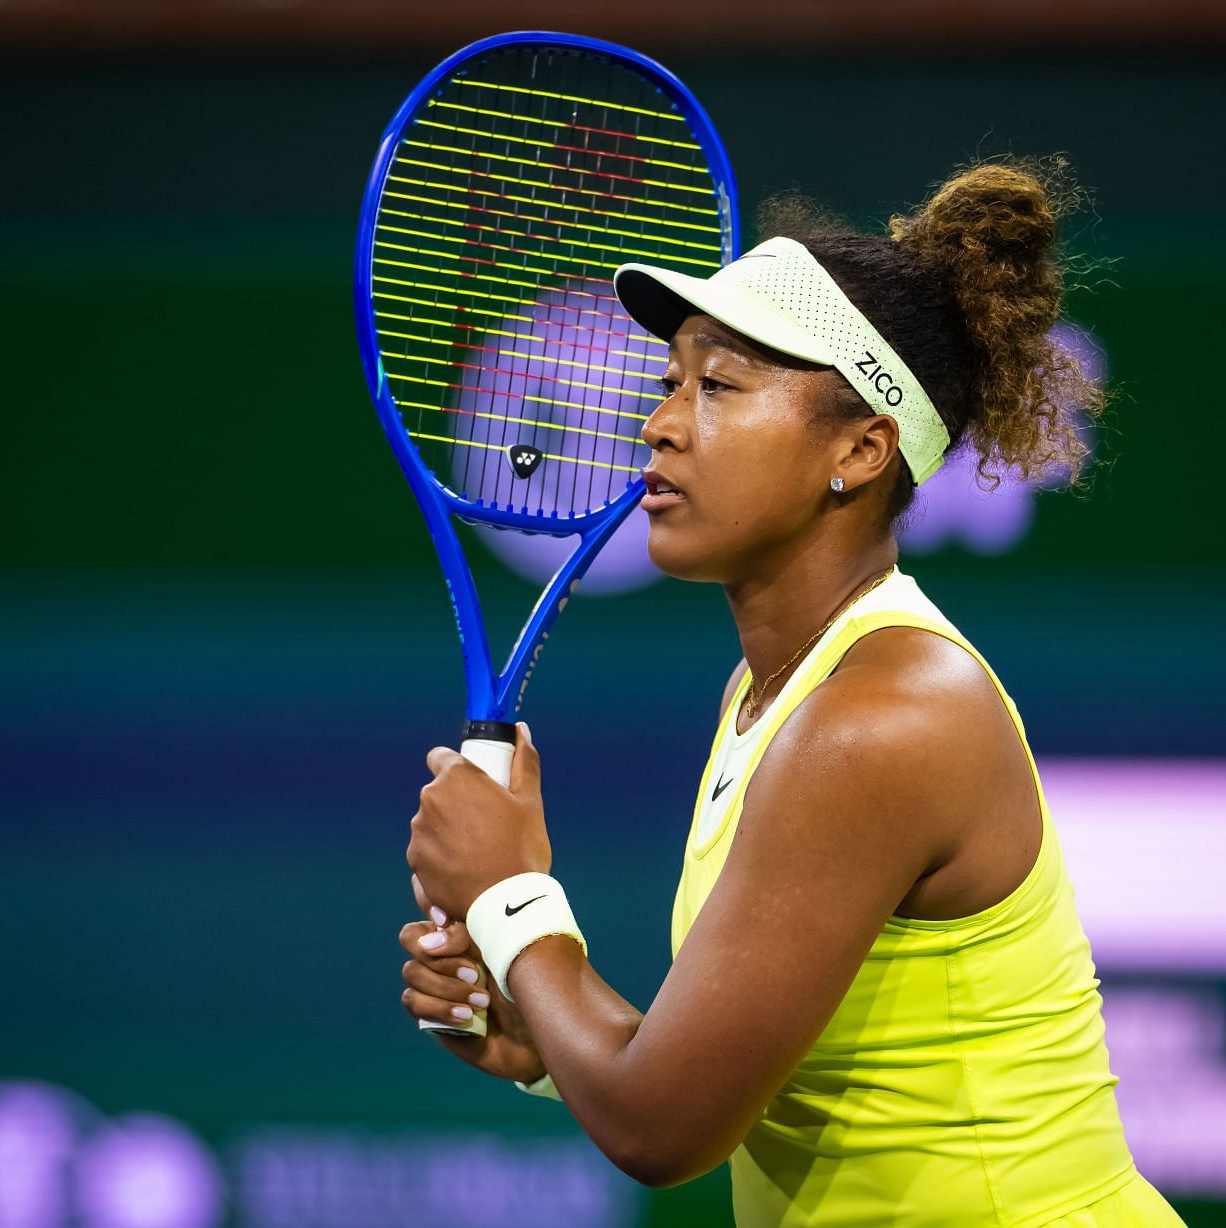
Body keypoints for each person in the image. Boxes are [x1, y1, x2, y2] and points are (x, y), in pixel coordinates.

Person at [399, 160, 1186, 1227]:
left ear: (859, 450)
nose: (660, 424)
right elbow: (727, 1086)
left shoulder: (881, 718)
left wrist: (509, 897)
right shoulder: (771, 692)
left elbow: (662, 1128)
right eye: (672, 381)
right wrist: (551, 1044)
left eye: (717, 386)